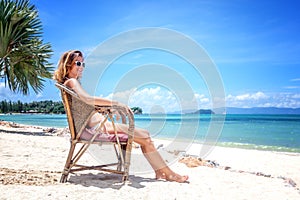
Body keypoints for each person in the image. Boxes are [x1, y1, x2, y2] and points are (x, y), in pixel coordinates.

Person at [53, 50, 189, 183]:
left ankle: (161, 171)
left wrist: (107, 109)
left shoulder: (71, 84)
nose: (81, 67)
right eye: (78, 63)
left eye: (83, 64)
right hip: (99, 129)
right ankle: (169, 174)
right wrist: (116, 103)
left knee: (145, 136)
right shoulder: (72, 82)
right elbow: (88, 99)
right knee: (146, 137)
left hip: (98, 126)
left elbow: (87, 106)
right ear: (68, 64)